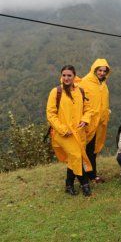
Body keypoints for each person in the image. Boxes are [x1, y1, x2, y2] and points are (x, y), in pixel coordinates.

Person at [46, 65, 93, 196]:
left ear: (74, 76)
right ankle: (85, 185)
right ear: (61, 76)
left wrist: (85, 119)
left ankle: (69, 185)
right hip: (64, 134)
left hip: (79, 133)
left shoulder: (81, 92)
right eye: (64, 75)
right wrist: (62, 129)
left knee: (74, 158)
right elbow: (51, 114)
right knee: (76, 156)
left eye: (69, 75)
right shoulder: (56, 92)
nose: (66, 78)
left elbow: (89, 109)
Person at [78, 58, 111, 183]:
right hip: (88, 123)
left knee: (94, 149)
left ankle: (92, 174)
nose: (102, 73)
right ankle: (87, 175)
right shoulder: (85, 83)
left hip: (100, 124)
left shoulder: (103, 85)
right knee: (87, 149)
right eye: (100, 70)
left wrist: (106, 112)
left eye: (104, 71)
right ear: (94, 69)